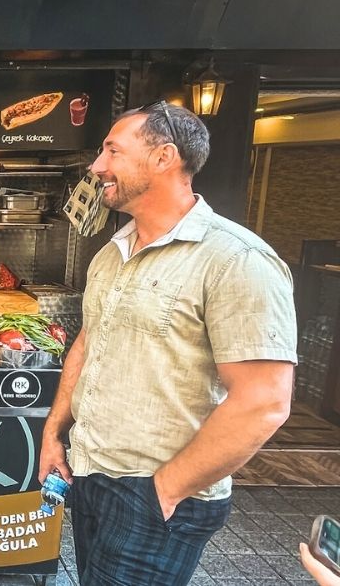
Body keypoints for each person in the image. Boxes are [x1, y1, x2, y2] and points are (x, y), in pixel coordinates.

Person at [39, 102, 297, 585]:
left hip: (158, 492)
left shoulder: (235, 260)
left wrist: (165, 489)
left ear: (164, 158)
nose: (97, 167)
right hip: (92, 473)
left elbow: (263, 402)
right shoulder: (112, 255)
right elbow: (88, 345)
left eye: (112, 150)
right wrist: (56, 433)